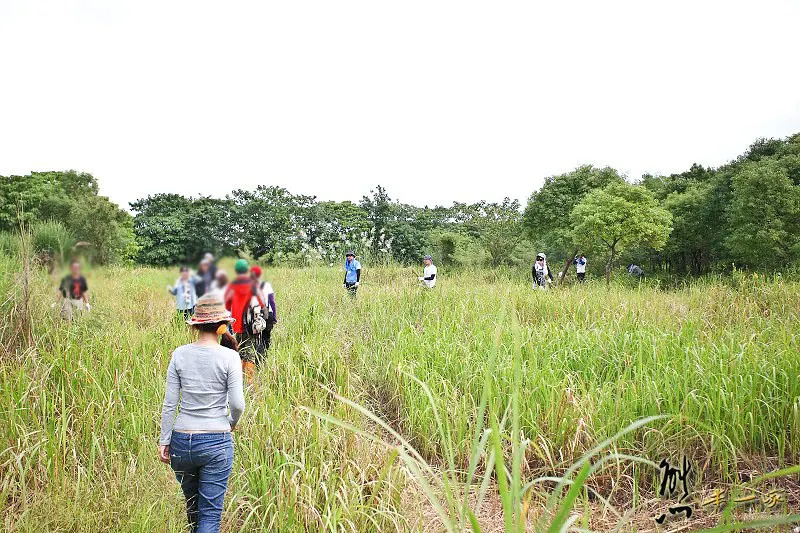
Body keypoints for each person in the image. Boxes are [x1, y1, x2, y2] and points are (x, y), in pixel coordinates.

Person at [159, 293, 245, 533]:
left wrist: (164, 440)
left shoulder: (179, 354)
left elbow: (170, 403)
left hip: (181, 441)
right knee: (209, 517)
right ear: (222, 326)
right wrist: (230, 423)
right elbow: (238, 404)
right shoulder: (230, 357)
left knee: (194, 509)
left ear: (196, 324)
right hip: (216, 441)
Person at [224, 259, 265, 360]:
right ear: (247, 270)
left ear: (236, 270)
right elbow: (262, 303)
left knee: (238, 350)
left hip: (236, 324)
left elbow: (227, 306)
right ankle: (249, 375)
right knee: (250, 352)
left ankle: (240, 373)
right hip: (252, 325)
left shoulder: (232, 286)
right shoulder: (254, 285)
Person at [250, 266, 278, 353]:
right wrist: (274, 317)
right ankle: (264, 358)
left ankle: (256, 359)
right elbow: (272, 302)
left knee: (255, 340)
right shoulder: (267, 285)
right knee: (266, 338)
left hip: (254, 315)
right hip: (267, 315)